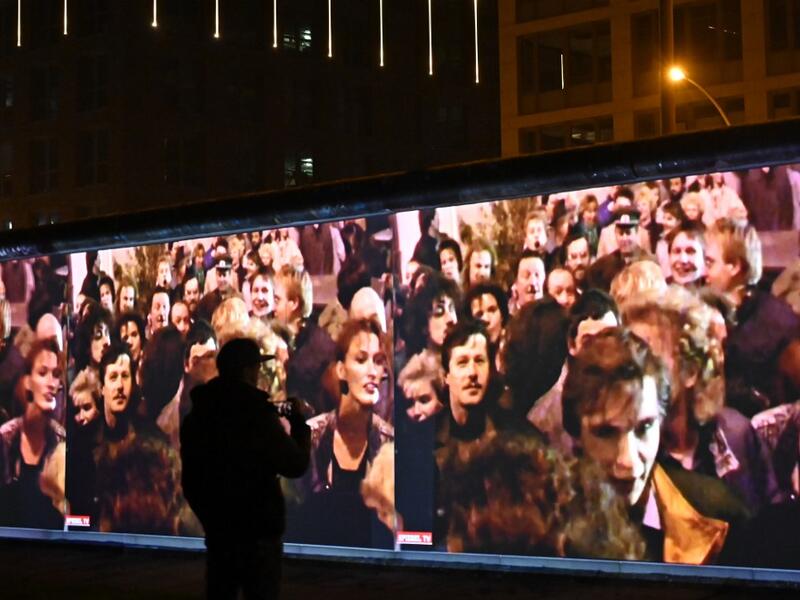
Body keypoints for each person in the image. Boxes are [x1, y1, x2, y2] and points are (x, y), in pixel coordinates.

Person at [562, 328, 749, 564]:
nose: (628, 462)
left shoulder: (718, 515)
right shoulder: (547, 531)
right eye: (606, 432)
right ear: (576, 434)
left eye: (644, 428)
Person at [181, 337, 310, 598]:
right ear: (247, 370)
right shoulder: (256, 415)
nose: (259, 373)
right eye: (256, 367)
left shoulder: (200, 413)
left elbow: (191, 480)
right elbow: (294, 464)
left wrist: (211, 520)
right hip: (258, 537)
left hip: (219, 536)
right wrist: (299, 426)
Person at [301, 319, 393, 547]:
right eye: (361, 360)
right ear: (341, 369)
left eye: (379, 362)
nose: (372, 371)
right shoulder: (309, 438)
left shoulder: (390, 445)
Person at [705, 219, 800, 416]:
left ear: (734, 266)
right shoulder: (707, 312)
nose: (704, 272)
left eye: (710, 263)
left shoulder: (776, 323)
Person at [0, 339, 65, 529]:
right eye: (43, 373)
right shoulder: (4, 440)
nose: (52, 383)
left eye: (56, 375)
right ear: (27, 381)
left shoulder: (62, 443)